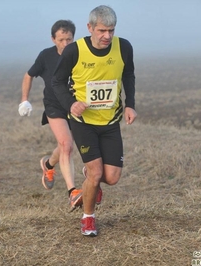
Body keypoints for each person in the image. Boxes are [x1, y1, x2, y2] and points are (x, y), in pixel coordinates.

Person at [52, 5, 137, 236]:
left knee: (112, 177)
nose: (107, 36)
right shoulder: (74, 50)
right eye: (101, 30)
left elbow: (128, 74)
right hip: (83, 122)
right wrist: (71, 103)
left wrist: (130, 104)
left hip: (110, 122)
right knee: (96, 172)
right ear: (89, 28)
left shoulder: (124, 47)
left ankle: (91, 179)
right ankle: (88, 218)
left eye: (111, 30)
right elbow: (57, 82)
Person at [18, 20, 84, 210]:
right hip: (55, 105)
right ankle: (72, 192)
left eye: (69, 39)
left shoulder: (80, 53)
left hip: (76, 105)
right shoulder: (46, 56)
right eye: (61, 40)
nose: (65, 44)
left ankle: (48, 164)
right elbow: (29, 75)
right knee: (66, 144)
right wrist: (25, 99)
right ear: (53, 39)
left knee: (65, 146)